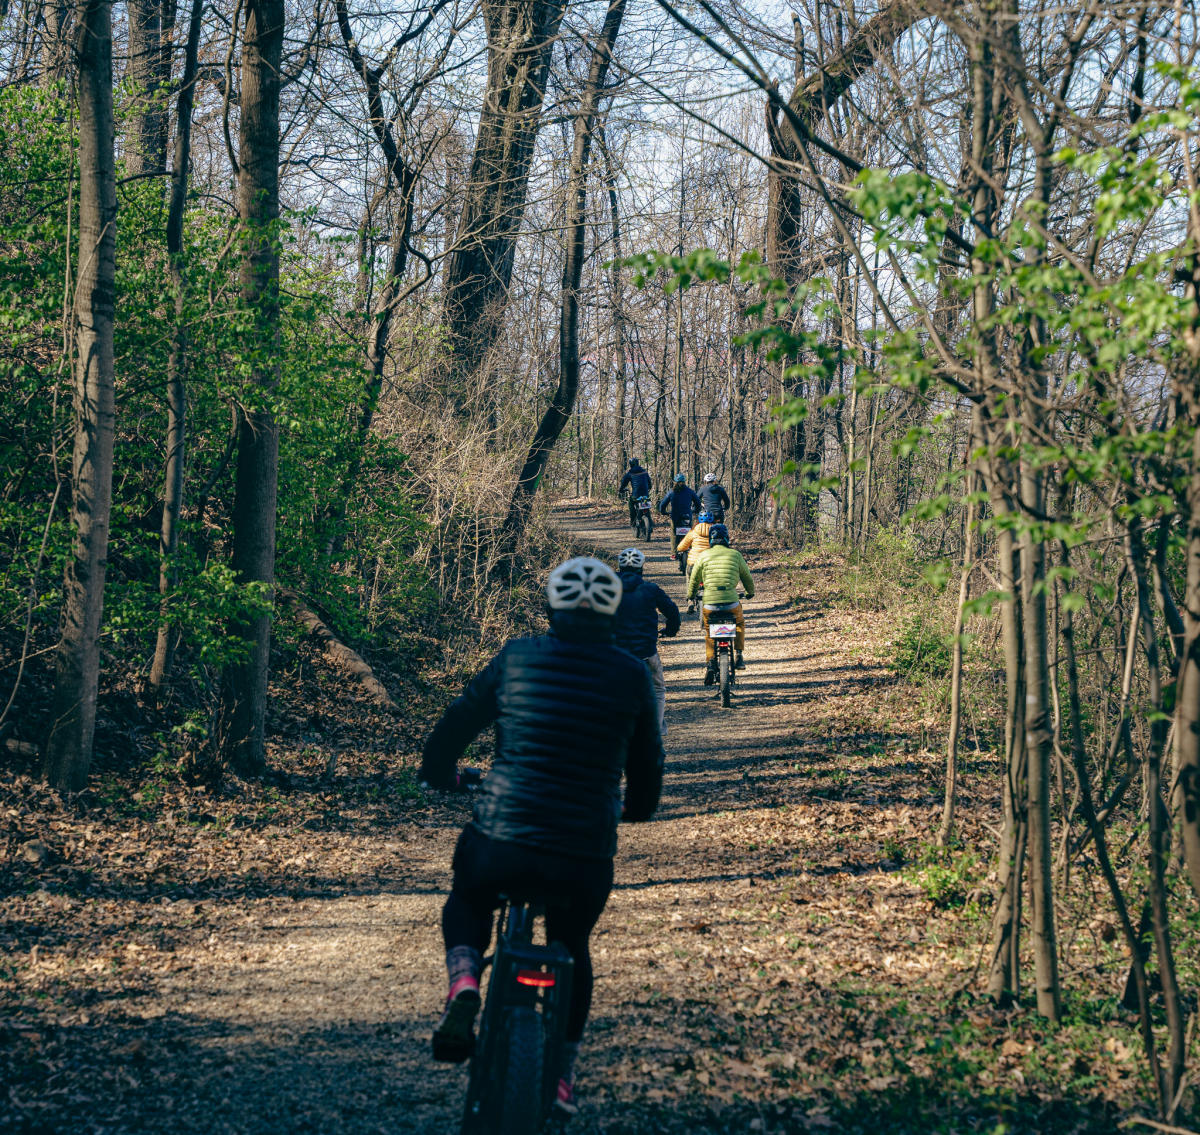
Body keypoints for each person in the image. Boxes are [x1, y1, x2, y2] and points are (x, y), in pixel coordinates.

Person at [420, 557, 664, 1116]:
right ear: (609, 613)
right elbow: (648, 768)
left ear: (551, 607)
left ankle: (464, 985)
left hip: (501, 837)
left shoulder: (517, 656)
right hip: (581, 853)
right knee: (571, 946)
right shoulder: (630, 675)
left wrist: (439, 772)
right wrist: (636, 810)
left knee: (470, 896)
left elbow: (458, 721)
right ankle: (560, 1076)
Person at [614, 547, 681, 734]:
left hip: (615, 655)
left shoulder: (605, 589)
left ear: (619, 567)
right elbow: (672, 612)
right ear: (641, 568)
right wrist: (671, 630)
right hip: (645, 653)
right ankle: (654, 731)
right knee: (657, 690)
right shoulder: (651, 589)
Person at [687, 523, 754, 683]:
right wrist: (749, 593)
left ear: (711, 539)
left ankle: (711, 662)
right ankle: (738, 655)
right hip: (731, 603)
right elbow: (747, 578)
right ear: (727, 539)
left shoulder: (703, 555)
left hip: (709, 604)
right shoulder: (736, 555)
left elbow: (694, 579)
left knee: (709, 632)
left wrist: (691, 595)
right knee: (739, 623)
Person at [676, 509, 716, 613]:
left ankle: (690, 601)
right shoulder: (716, 532)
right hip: (711, 563)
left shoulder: (693, 532)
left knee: (690, 579)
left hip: (694, 562)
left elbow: (681, 547)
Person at [658, 473, 701, 558]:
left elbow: (663, 504)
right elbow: (698, 503)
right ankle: (692, 552)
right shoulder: (690, 491)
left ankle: (674, 553)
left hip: (675, 517)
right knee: (690, 534)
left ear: (675, 482)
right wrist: (695, 510)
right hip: (687, 517)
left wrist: (663, 512)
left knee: (674, 534)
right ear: (684, 482)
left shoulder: (671, 492)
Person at [618, 458, 652, 531]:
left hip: (636, 496)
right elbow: (649, 484)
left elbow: (624, 483)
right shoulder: (645, 472)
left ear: (630, 464)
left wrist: (621, 490)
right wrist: (648, 489)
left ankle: (633, 521)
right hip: (645, 495)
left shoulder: (630, 473)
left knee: (631, 504)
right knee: (647, 508)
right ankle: (650, 525)